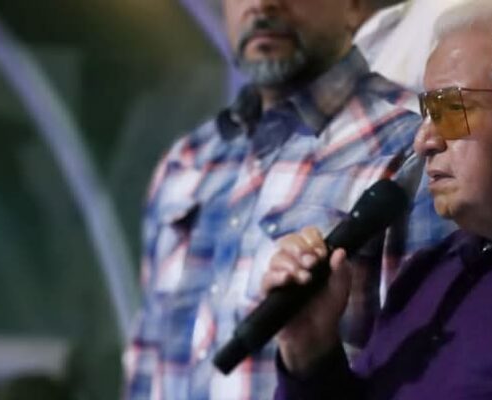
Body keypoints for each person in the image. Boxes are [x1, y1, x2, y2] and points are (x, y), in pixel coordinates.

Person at [265, 0, 492, 398]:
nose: (423, 141)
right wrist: (311, 356)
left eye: (450, 109)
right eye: (426, 111)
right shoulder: (427, 272)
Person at [122, 0, 456, 399]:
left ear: (353, 7)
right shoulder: (186, 162)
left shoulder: (417, 145)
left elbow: (428, 374)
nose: (262, 4)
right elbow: (146, 358)